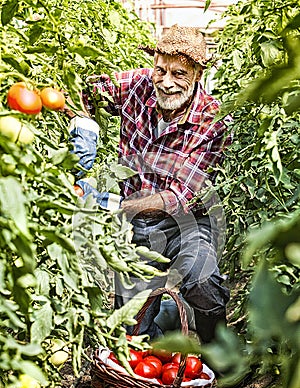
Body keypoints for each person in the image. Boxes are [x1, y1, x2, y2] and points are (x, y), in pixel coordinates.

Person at [68, 24, 232, 343]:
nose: (166, 82)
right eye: (161, 70)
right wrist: (84, 127)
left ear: (197, 74)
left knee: (203, 281)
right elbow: (79, 92)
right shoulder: (137, 84)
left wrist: (113, 204)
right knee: (131, 323)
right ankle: (164, 323)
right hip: (136, 228)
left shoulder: (211, 121)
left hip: (187, 223)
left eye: (179, 73)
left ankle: (221, 358)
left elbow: (179, 196)